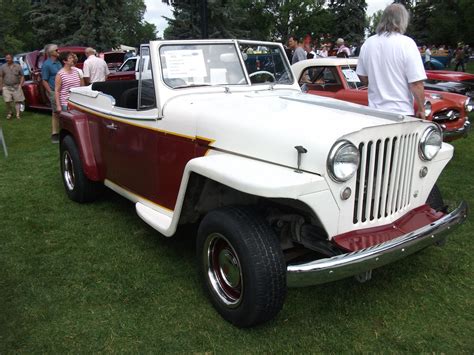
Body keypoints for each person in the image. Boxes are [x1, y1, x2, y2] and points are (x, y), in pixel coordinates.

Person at [356, 3, 426, 119]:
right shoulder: (407, 43)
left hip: (375, 111)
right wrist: (421, 109)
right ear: (402, 21)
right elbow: (416, 83)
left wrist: (376, 83)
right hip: (401, 111)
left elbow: (362, 76)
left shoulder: (368, 43)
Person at [41, 44, 63, 143]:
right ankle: (55, 134)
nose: (59, 51)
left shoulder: (59, 63)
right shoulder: (46, 65)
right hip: (54, 91)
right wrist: (51, 92)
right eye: (56, 50)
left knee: (63, 112)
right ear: (51, 53)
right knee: (55, 112)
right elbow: (44, 80)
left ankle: (62, 131)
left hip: (62, 91)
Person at [0, 53, 25, 120]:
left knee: (17, 101)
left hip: (16, 86)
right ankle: (10, 112)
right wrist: (1, 86)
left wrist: (21, 84)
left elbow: (22, 75)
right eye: (6, 58)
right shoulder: (3, 67)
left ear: (12, 58)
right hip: (6, 86)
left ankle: (17, 114)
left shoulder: (18, 66)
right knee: (7, 101)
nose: (7, 59)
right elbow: (1, 77)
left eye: (9, 58)